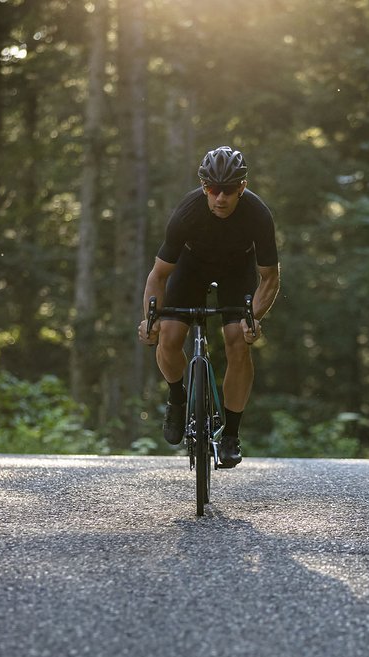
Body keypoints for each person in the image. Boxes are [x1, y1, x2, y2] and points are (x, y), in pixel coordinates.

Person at [137, 146, 281, 468]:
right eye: (213, 189)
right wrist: (149, 319)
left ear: (242, 187)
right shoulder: (188, 212)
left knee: (238, 345)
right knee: (169, 337)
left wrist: (252, 318)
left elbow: (269, 278)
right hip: (191, 268)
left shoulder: (257, 214)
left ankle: (230, 434)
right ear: (204, 187)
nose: (220, 197)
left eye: (228, 190)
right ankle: (177, 397)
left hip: (236, 271)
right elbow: (159, 274)